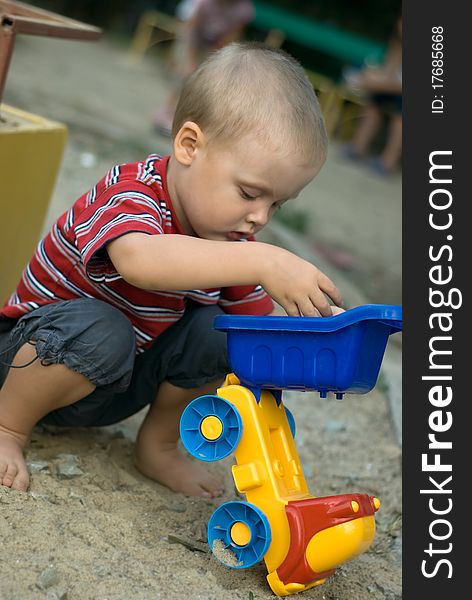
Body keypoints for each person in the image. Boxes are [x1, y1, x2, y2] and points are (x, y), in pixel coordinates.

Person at [0, 43, 343, 496]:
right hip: (30, 363)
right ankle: (8, 429)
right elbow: (140, 261)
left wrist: (324, 341)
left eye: (276, 203)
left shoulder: (232, 241)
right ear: (189, 146)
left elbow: (255, 333)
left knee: (225, 334)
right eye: (248, 193)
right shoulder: (131, 194)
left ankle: (158, 445)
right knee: (105, 329)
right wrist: (265, 259)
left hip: (114, 387)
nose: (260, 217)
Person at [153, 0, 255, 136]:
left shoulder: (244, 10)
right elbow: (191, 32)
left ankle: (192, 120)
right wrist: (191, 61)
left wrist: (214, 59)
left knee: (208, 81)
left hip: (215, 43)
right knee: (185, 76)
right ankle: (168, 112)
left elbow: (232, 36)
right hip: (192, 39)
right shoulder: (204, 3)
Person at [343, 17, 402, 175]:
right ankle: (358, 147)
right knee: (375, 99)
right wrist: (370, 77)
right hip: (396, 89)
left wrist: (366, 82)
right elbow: (390, 74)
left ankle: (387, 162)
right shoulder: (397, 43)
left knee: (401, 112)